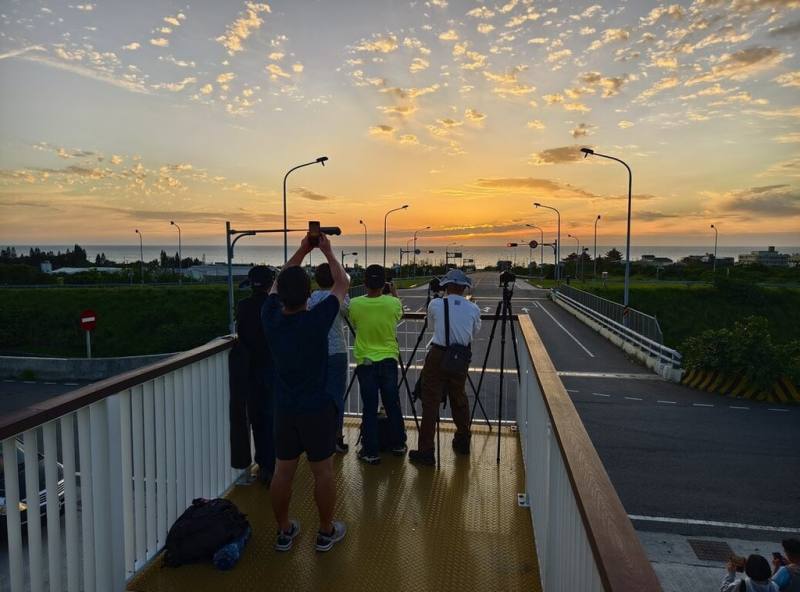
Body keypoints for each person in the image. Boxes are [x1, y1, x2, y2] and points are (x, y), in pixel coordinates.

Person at [262, 233, 349, 553]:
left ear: (280, 295)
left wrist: (301, 249)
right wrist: (326, 250)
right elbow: (342, 285)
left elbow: (275, 285)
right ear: (309, 294)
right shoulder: (317, 319)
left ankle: (284, 531)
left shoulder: (270, 318)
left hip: (285, 408)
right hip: (317, 406)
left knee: (283, 471)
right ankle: (325, 531)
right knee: (322, 471)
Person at [409, 269, 481, 466]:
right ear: (464, 287)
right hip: (461, 355)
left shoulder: (435, 304)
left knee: (430, 401)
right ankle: (463, 439)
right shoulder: (473, 308)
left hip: (439, 353)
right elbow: (474, 331)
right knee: (459, 396)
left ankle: (426, 451)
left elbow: (431, 328)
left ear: (447, 286)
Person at [348, 264, 406, 465]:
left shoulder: (354, 304)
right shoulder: (393, 303)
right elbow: (400, 313)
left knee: (370, 408)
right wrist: (395, 292)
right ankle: (398, 444)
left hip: (366, 362)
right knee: (392, 404)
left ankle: (370, 451)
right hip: (389, 360)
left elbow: (354, 322)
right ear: (385, 284)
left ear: (364, 283)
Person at [229, 265, 275, 484]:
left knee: (257, 420)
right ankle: (277, 464)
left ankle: (264, 465)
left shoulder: (244, 306)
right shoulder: (275, 305)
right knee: (275, 418)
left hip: (251, 370)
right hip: (275, 370)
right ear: (270, 284)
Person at [309, 263, 350, 453]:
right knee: (336, 396)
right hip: (337, 352)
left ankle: (316, 436)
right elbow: (348, 310)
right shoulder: (339, 298)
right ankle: (337, 437)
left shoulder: (310, 300)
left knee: (316, 395)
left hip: (316, 353)